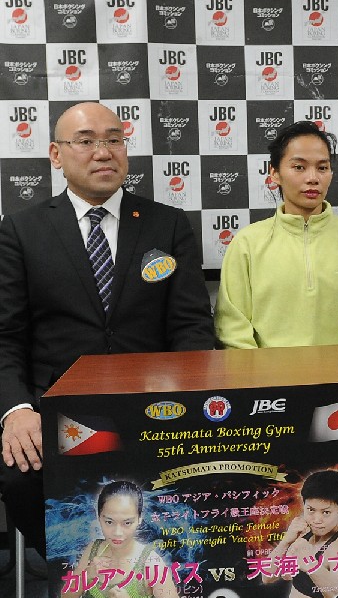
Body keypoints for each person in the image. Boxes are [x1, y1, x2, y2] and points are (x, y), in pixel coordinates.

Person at [0, 101, 214, 552]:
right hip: (58, 409)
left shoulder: (167, 224)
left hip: (155, 407)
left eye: (114, 140)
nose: (103, 152)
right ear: (56, 155)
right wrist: (17, 411)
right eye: (86, 141)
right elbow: (6, 337)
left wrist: (186, 400)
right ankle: (78, 569)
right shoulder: (21, 231)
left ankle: (160, 569)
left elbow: (191, 327)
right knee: (20, 479)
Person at [215, 121, 338, 347]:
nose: (313, 178)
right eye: (299, 167)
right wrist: (260, 369)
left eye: (322, 168)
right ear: (274, 173)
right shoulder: (247, 243)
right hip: (268, 370)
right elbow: (232, 329)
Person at [61, 480, 184, 598]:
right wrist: (87, 576)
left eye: (127, 523)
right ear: (99, 517)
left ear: (139, 519)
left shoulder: (150, 561)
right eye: (109, 522)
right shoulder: (93, 549)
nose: (117, 532)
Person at [265, 470, 338, 598]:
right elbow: (267, 577)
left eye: (326, 512)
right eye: (311, 510)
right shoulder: (305, 531)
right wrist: (286, 541)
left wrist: (311, 564)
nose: (317, 520)